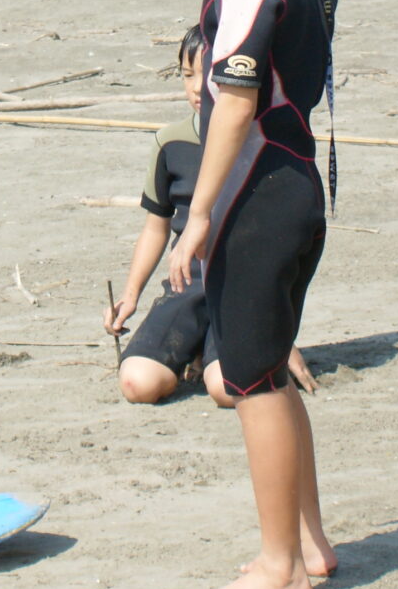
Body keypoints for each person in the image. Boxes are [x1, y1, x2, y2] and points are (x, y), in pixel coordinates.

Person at [165, 0, 340, 589]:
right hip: (296, 182)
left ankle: (280, 569)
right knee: (269, 368)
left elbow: (234, 101)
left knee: (249, 380)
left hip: (257, 192)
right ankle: (308, 543)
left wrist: (198, 214)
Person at [104, 28, 315, 406]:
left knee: (226, 390)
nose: (197, 87)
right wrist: (130, 296)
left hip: (243, 292)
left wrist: (280, 333)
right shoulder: (170, 143)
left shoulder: (263, 144)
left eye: (210, 75)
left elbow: (283, 241)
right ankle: (195, 347)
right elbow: (155, 228)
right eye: (187, 75)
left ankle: (217, 355)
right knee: (138, 384)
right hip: (187, 286)